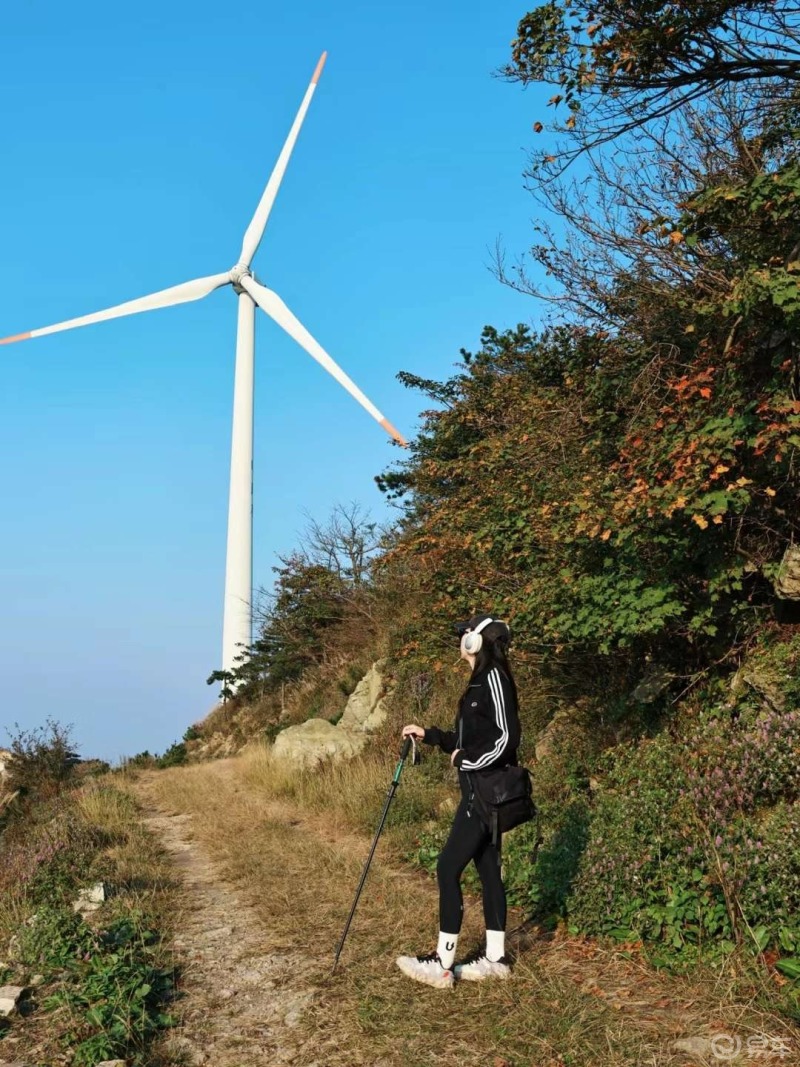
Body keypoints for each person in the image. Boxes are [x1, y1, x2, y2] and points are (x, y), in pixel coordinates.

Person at [397, 613, 521, 989]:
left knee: (447, 867)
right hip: (478, 790)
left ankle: (442, 964)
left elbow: (506, 739)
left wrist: (466, 760)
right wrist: (432, 735)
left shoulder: (494, 678)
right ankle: (496, 960)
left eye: (464, 633)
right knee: (487, 870)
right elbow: (473, 738)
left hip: (484, 795)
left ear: (476, 641)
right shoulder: (479, 681)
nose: (460, 638)